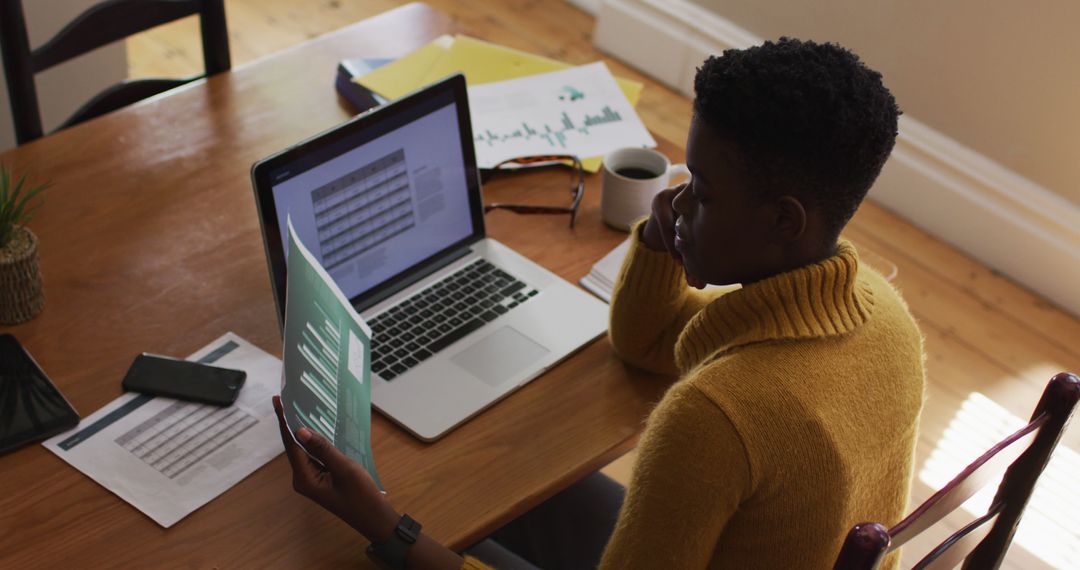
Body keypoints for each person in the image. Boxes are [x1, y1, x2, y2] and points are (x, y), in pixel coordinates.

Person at [273, 37, 925, 569]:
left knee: (382, 542)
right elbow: (647, 345)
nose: (681, 200)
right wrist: (659, 238)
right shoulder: (882, 312)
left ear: (785, 221)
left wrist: (383, 527)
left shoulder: (718, 417)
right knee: (514, 484)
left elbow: (707, 399)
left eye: (703, 189)